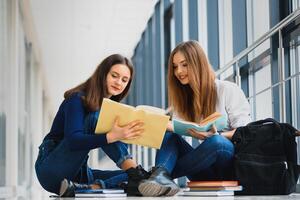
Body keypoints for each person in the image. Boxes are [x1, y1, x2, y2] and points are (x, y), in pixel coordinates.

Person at [138, 40, 252, 196]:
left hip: (230, 166)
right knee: (169, 133)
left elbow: (245, 132)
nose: (179, 71)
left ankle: (154, 175)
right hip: (204, 170)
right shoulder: (183, 102)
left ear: (198, 63)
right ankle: (160, 174)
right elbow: (177, 131)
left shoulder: (227, 89)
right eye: (175, 66)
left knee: (217, 142)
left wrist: (217, 135)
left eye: (184, 65)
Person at [35, 54, 149, 197]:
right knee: (97, 118)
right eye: (114, 76)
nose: (119, 82)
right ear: (103, 74)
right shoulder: (77, 99)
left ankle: (92, 187)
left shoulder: (105, 108)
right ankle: (135, 171)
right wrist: (112, 136)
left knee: (141, 179)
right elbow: (73, 141)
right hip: (51, 170)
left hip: (76, 175)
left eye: (124, 80)